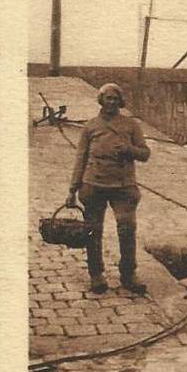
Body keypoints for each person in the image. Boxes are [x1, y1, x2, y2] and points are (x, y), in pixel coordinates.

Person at [65, 83, 151, 294]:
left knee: (127, 228)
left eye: (115, 98)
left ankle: (128, 273)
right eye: (107, 98)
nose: (111, 102)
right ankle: (96, 274)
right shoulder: (90, 127)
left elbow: (145, 154)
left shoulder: (131, 125)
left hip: (123, 187)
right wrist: (73, 189)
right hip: (94, 185)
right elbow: (81, 159)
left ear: (120, 102)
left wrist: (129, 149)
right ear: (101, 100)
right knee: (93, 231)